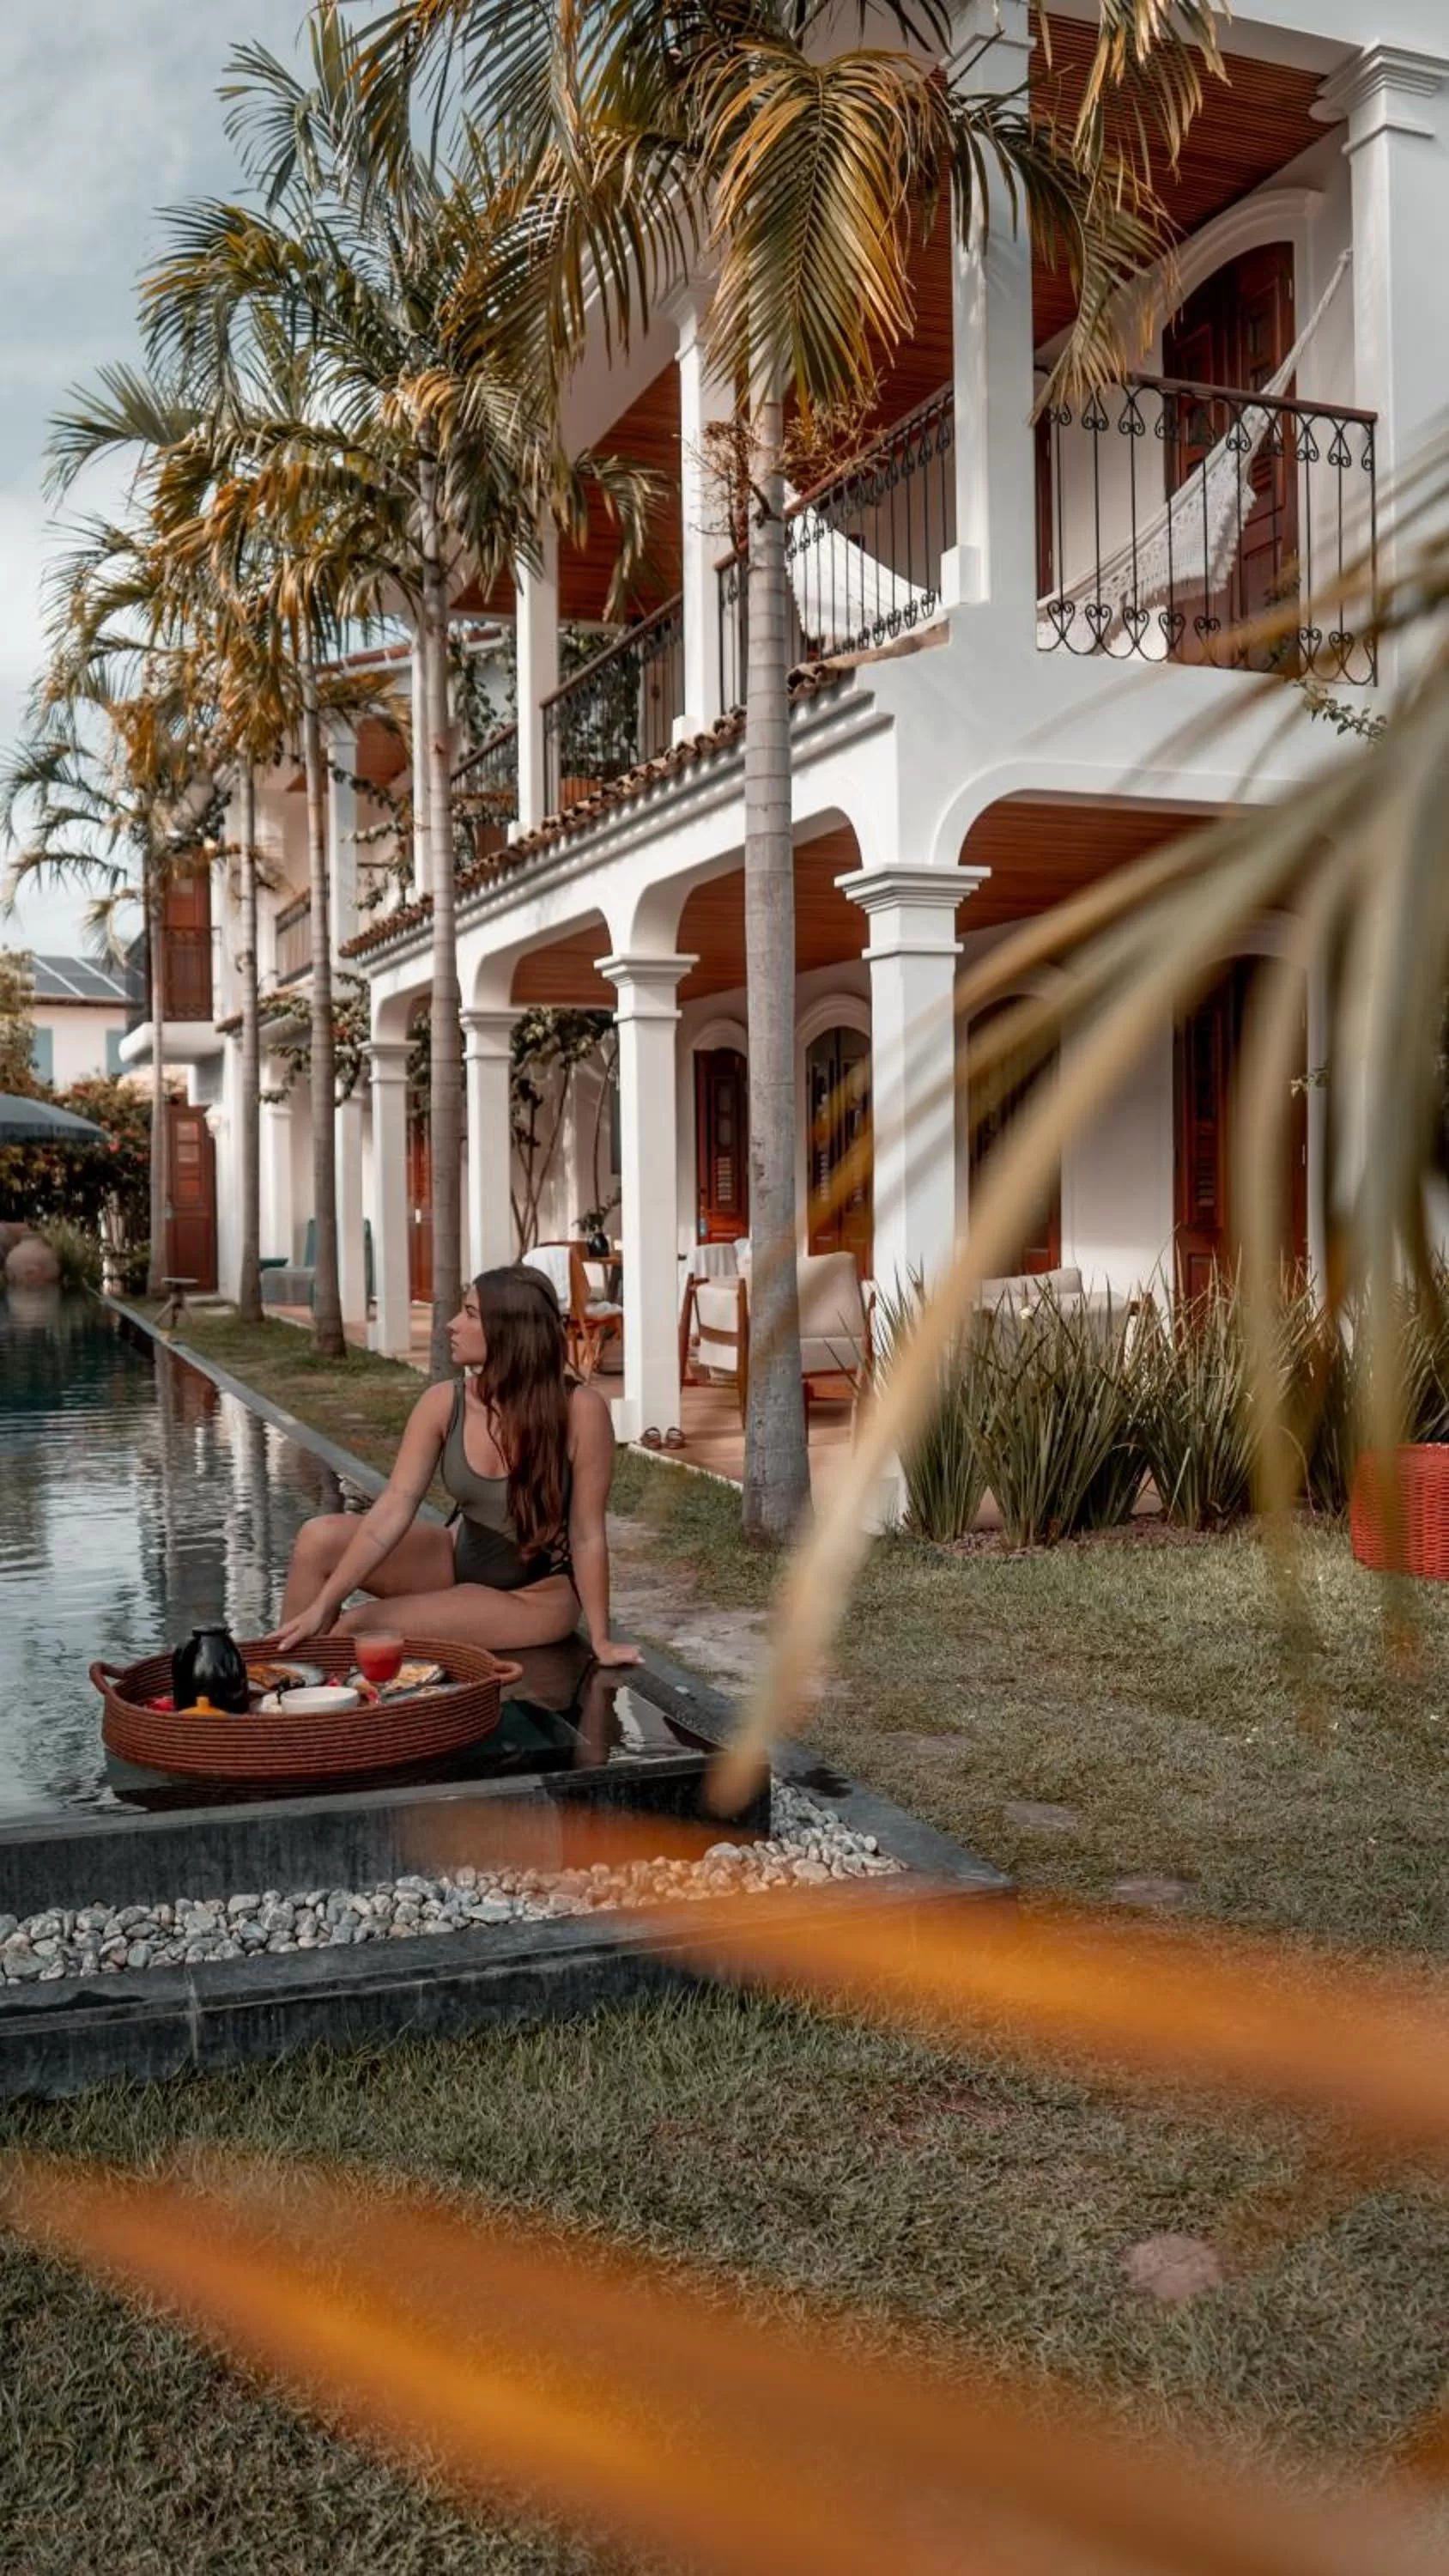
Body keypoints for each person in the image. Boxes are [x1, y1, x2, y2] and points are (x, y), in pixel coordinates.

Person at [272, 1263, 640, 1664]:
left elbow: (587, 1534)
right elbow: (394, 1506)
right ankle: (283, 1681)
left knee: (359, 1627)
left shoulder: (580, 1411)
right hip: (457, 1555)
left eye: (470, 1314)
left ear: (509, 1331)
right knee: (317, 1539)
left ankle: (316, 1691)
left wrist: (601, 1640)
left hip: (534, 1597)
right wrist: (325, 1602)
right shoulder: (445, 1402)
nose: (451, 1325)